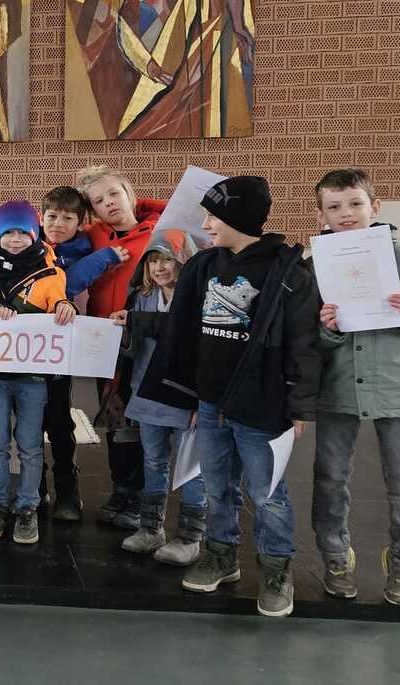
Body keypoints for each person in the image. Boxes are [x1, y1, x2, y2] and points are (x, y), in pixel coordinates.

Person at [140, 176, 321, 617]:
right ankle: (221, 556)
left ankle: (276, 569)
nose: (206, 225)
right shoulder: (203, 267)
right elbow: (182, 333)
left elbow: (303, 343)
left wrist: (299, 405)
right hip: (211, 403)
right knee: (217, 487)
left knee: (266, 492)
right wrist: (187, 396)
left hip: (263, 405)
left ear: (238, 218)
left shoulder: (287, 272)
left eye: (213, 217)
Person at [311, 169, 400, 607]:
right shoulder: (313, 265)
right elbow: (302, 336)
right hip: (336, 390)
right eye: (334, 206)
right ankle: (336, 558)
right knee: (330, 480)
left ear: (375, 206)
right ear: (320, 214)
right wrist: (328, 330)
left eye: (355, 203)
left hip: (399, 390)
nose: (346, 213)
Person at [0, 201, 75, 546]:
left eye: (23, 232)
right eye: (8, 232)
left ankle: (27, 506)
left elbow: (59, 301)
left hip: (32, 377)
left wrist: (64, 305)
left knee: (31, 446)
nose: (16, 239)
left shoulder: (50, 272)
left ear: (34, 235)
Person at [108, 229, 206, 566]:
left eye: (167, 259)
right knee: (153, 461)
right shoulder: (141, 297)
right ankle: (151, 528)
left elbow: (197, 343)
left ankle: (191, 537)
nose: (159, 267)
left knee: (191, 467)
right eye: (153, 261)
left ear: (184, 261)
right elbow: (134, 349)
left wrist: (203, 400)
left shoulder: (200, 299)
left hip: (187, 396)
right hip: (147, 392)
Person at [76, 165, 164, 529]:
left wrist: (140, 204)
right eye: (99, 201)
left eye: (114, 193)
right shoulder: (94, 235)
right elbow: (50, 228)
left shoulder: (161, 228)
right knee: (115, 420)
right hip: (106, 342)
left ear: (129, 192)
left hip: (148, 340)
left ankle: (143, 499)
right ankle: (121, 490)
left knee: (144, 421)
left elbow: (186, 209)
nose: (109, 203)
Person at [37, 184, 128, 521]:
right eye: (52, 217)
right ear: (41, 218)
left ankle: (68, 491)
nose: (58, 224)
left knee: (60, 421)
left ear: (80, 223)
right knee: (29, 425)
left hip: (60, 353)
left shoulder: (83, 250)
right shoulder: (28, 244)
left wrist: (101, 258)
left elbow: (65, 285)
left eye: (67, 218)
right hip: (25, 353)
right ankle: (35, 489)